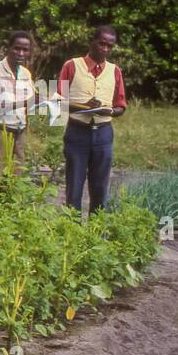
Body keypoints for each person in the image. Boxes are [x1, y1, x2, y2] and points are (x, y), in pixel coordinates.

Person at [58, 25, 126, 214]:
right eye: (101, 43)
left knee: (100, 189)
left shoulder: (114, 71)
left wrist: (109, 111)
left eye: (109, 46)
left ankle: (96, 234)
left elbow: (121, 105)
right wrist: (84, 107)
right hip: (77, 132)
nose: (105, 49)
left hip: (103, 134)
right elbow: (58, 101)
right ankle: (72, 232)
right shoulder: (71, 66)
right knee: (74, 187)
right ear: (92, 42)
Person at [0, 31, 36, 184]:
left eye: (25, 50)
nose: (21, 53)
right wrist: (23, 103)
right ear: (8, 49)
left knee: (13, 188)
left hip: (19, 135)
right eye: (17, 48)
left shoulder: (25, 73)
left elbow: (29, 104)